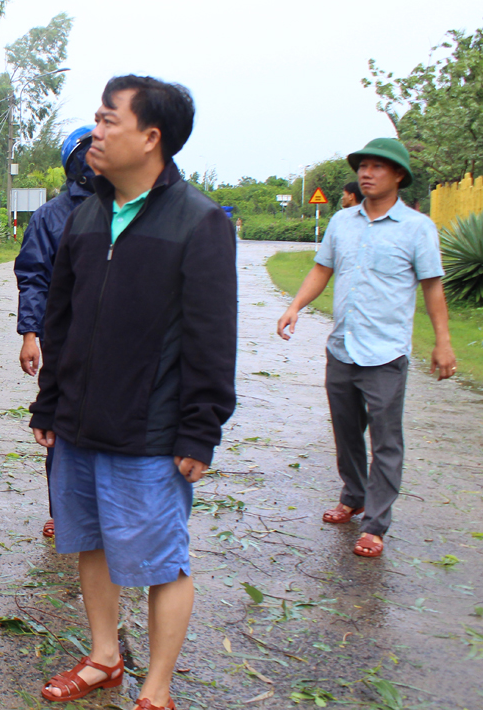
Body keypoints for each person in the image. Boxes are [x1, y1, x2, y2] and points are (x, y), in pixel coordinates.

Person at [30, 75, 236, 709]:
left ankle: (158, 687)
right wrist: (48, 401)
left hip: (149, 430)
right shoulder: (87, 214)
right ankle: (104, 658)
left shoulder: (198, 222)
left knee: (160, 561)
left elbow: (211, 336)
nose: (96, 130)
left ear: (151, 138)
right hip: (80, 424)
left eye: (108, 120)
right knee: (88, 542)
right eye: (95, 118)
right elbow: (59, 317)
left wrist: (201, 427)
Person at [277, 138, 455, 559]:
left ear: (398, 176)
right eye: (363, 166)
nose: (366, 173)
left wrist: (443, 343)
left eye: (377, 167)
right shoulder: (341, 222)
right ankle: (353, 495)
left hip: (386, 354)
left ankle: (376, 524)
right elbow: (323, 268)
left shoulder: (417, 228)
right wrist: (295, 305)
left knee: (387, 440)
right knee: (345, 432)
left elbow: (432, 286)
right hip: (342, 347)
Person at [13, 124, 97, 539]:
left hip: (121, 342)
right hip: (64, 340)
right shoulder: (51, 217)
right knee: (60, 423)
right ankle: (62, 507)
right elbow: (33, 277)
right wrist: (30, 334)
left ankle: (110, 507)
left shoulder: (133, 207)